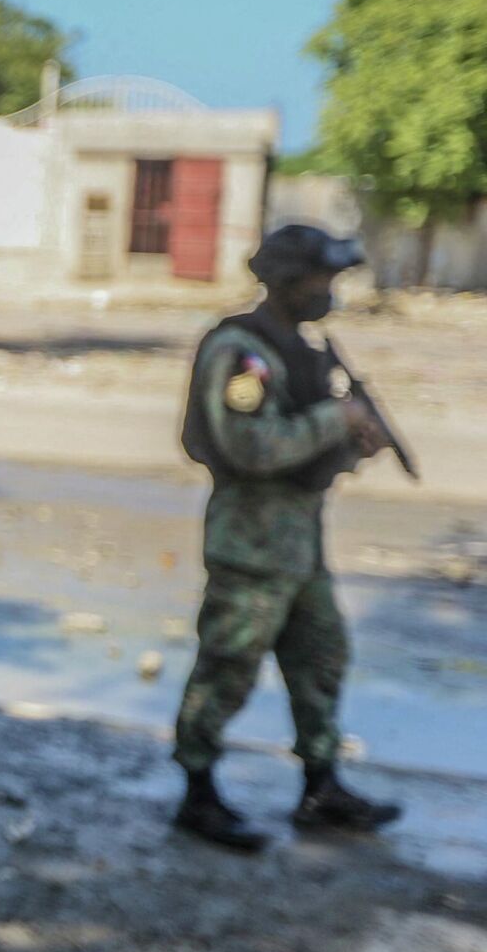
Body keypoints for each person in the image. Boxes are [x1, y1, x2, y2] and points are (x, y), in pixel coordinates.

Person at [171, 222, 400, 852]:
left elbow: (310, 443)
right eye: (321, 278)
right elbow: (252, 446)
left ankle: (321, 787)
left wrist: (354, 441)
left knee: (322, 659)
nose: (330, 290)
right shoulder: (242, 353)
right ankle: (198, 792)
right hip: (251, 546)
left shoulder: (302, 347)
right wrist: (339, 418)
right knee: (228, 669)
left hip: (301, 544)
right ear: (289, 281)